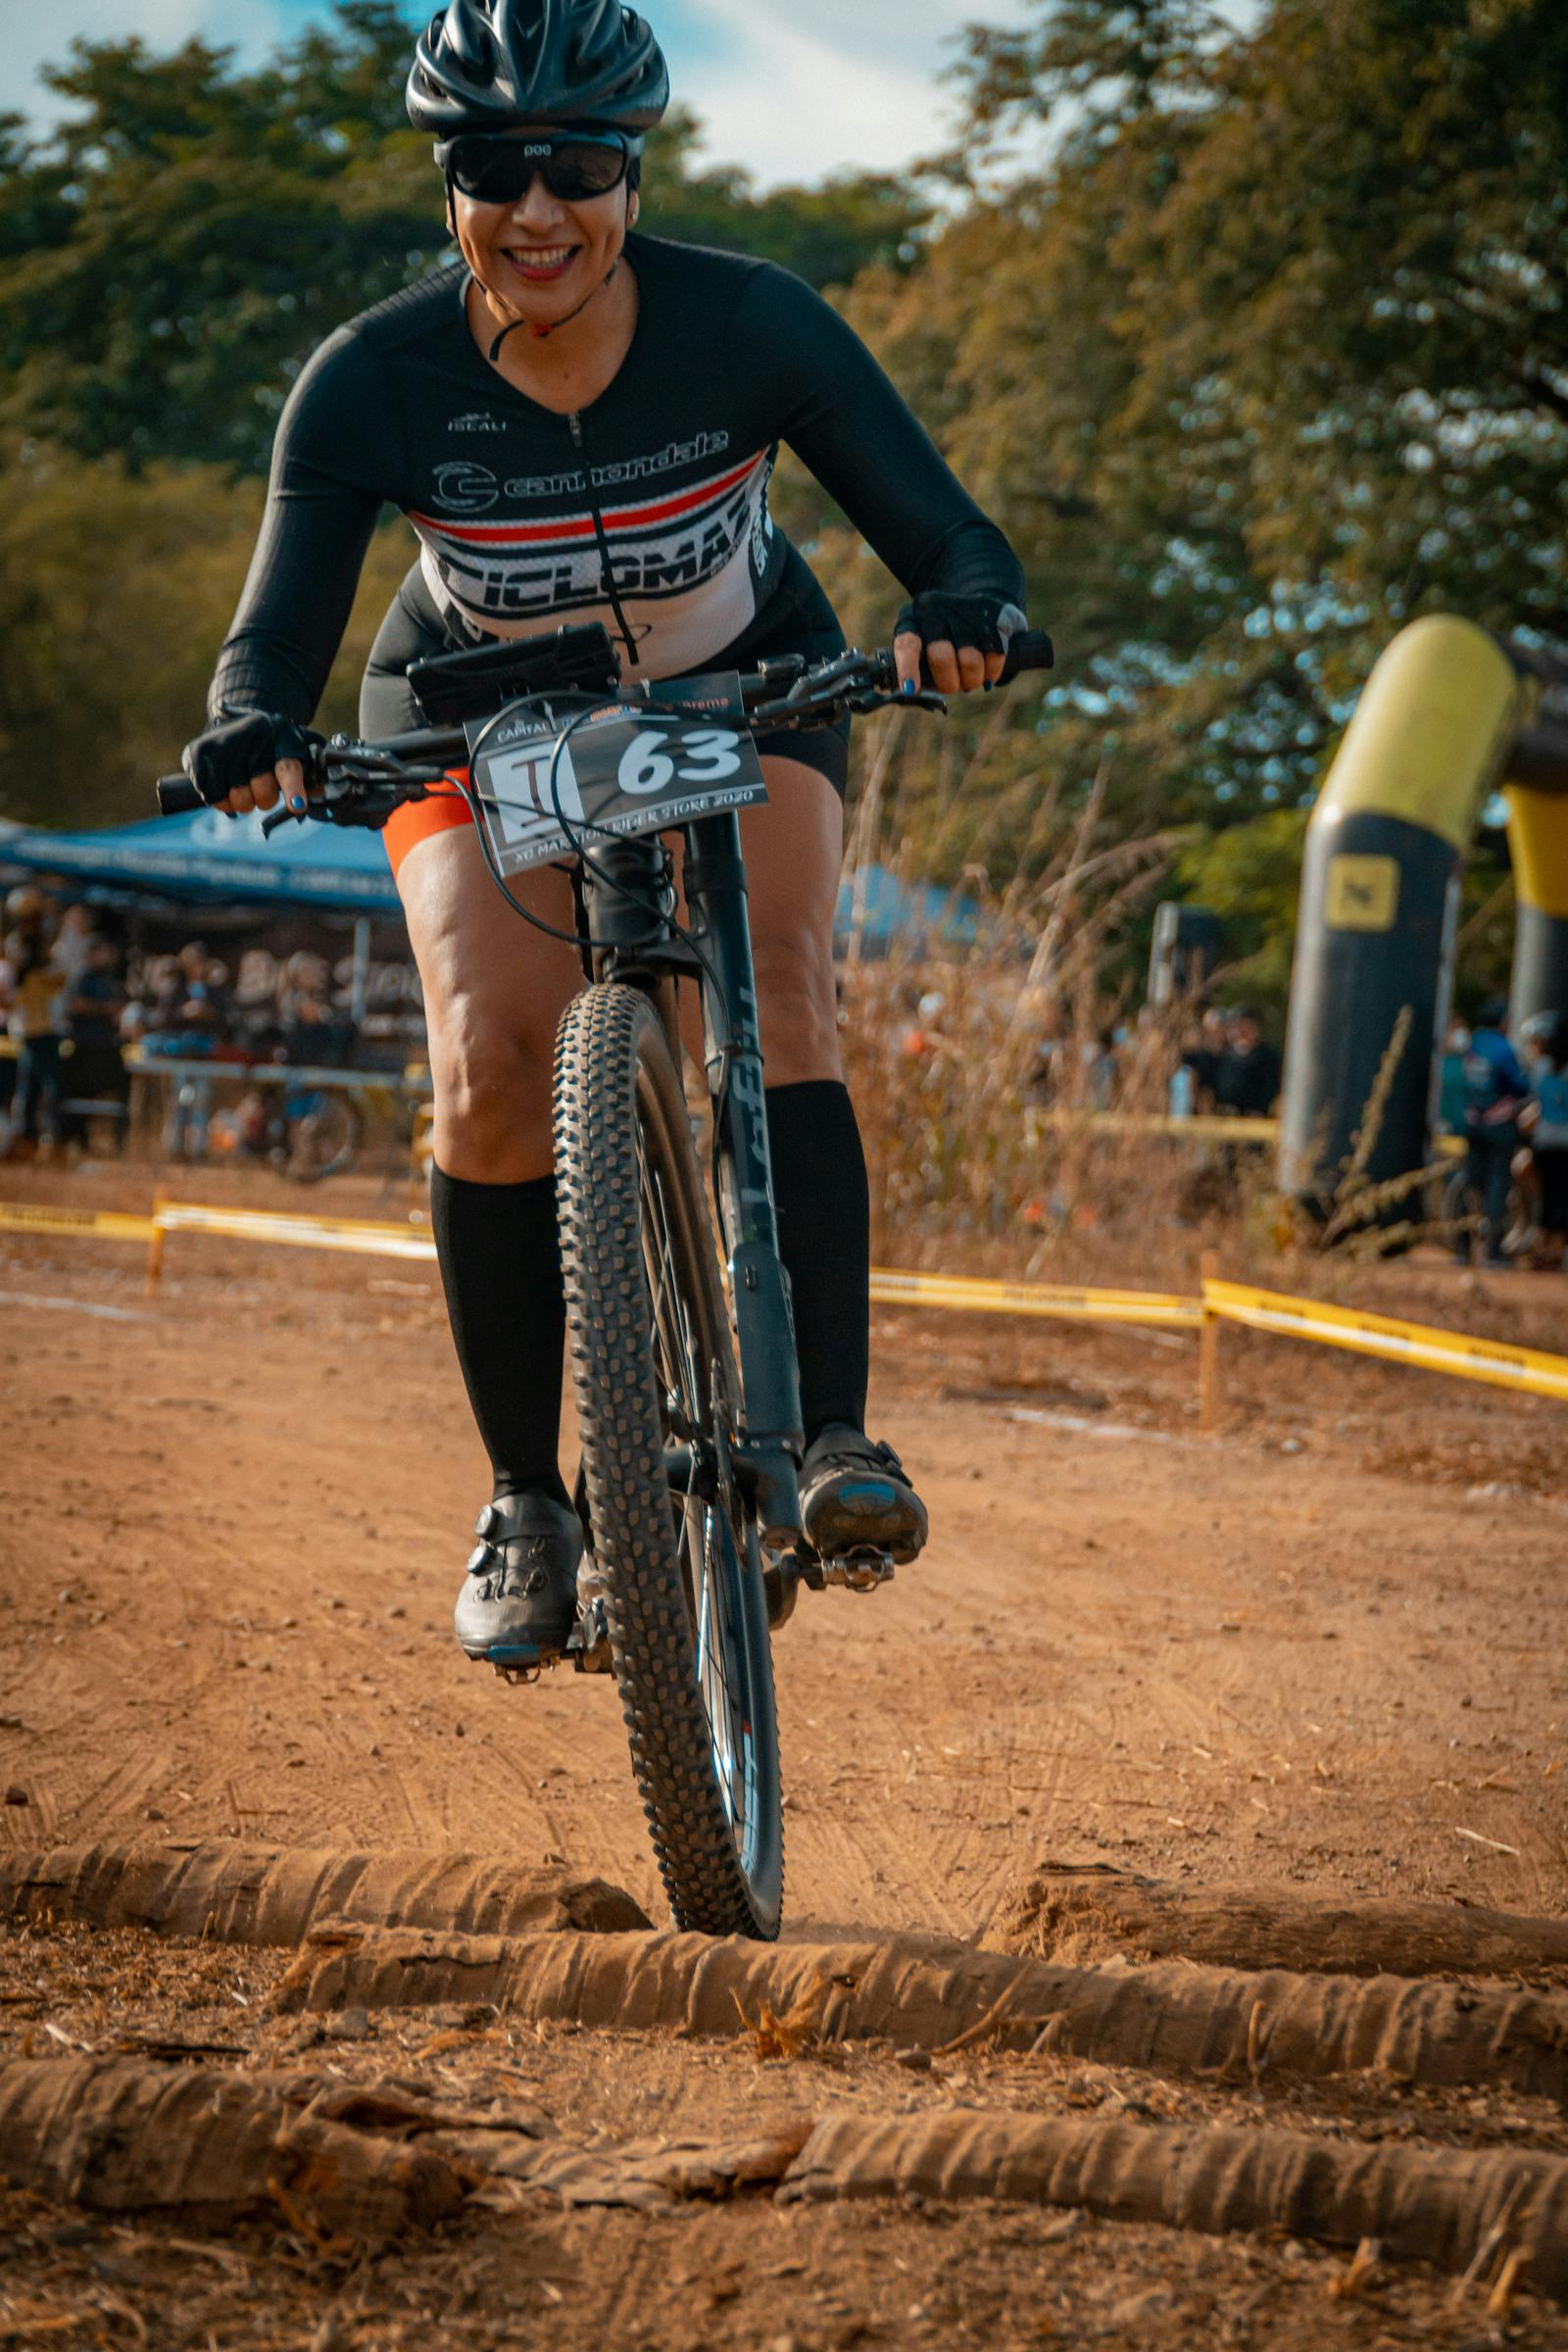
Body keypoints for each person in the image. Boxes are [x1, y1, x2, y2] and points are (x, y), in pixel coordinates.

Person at [176, 0, 1035, 1670]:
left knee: (780, 981)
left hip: (740, 681)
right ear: (452, 191)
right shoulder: (371, 378)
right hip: (467, 716)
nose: (539, 208)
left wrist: (967, 606)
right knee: (491, 1056)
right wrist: (253, 732)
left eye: (578, 164)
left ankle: (837, 1439)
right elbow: (270, 641)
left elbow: (950, 533)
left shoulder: (753, 325)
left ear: (634, 177)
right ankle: (529, 1500)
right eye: (497, 167)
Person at [1454, 997, 1529, 1268]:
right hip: (1499, 1125)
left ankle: (1462, 1250)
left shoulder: (1474, 1045)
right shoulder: (1502, 1048)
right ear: (1502, 1022)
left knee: (1470, 1183)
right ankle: (1493, 1253)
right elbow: (1519, 1084)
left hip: (1473, 1123)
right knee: (1497, 1187)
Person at [0, 888, 67, 1157]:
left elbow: (58, 980)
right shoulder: (17, 944)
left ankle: (47, 1138)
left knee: (47, 1087)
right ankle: (27, 1137)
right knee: (32, 1087)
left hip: (46, 1026)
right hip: (29, 1027)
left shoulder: (44, 946)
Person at [65, 934, 130, 1151]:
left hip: (108, 1047)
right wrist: (104, 1008)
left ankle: (120, 1141)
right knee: (78, 1093)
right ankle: (75, 1139)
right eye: (102, 951)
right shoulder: (83, 978)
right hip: (85, 1048)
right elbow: (75, 1005)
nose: (107, 956)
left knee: (124, 1088)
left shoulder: (111, 979)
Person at [1520, 1011, 1568, 1270]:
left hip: (1543, 1141)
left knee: (1545, 1197)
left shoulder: (1540, 1067)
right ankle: (1555, 1252)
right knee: (1562, 1199)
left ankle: (1539, 1249)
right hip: (1565, 1143)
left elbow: (1534, 1100)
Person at [1212, 1007, 1280, 1117]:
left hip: (1255, 1115)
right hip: (1225, 1114)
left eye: (1242, 1023)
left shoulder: (1267, 1055)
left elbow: (1271, 1086)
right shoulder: (1225, 1053)